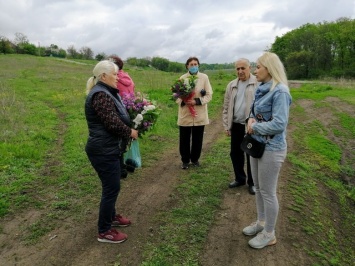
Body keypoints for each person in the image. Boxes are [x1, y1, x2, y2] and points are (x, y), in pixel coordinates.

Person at [84, 60, 138, 244]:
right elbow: (112, 123)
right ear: (104, 76)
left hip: (108, 147)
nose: (118, 77)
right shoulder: (100, 95)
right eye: (115, 74)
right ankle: (104, 230)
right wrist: (130, 132)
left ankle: (112, 216)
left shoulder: (107, 92)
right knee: (111, 188)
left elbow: (116, 117)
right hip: (102, 150)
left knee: (112, 186)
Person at [242, 52, 292, 249]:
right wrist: (250, 119)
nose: (255, 70)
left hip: (272, 148)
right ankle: (261, 223)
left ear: (269, 68)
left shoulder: (280, 92)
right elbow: (254, 112)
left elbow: (279, 123)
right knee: (259, 188)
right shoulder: (262, 88)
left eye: (258, 67)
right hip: (257, 145)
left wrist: (254, 127)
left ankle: (270, 233)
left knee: (269, 192)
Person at [222, 58, 258, 195]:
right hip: (236, 124)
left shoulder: (257, 83)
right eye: (238, 69)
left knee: (251, 154)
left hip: (251, 126)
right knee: (235, 153)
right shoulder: (231, 85)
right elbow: (226, 106)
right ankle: (240, 178)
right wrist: (226, 125)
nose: (240, 71)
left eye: (243, 68)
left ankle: (252, 183)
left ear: (250, 68)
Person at [176, 56, 213, 169]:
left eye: (195, 64)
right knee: (184, 139)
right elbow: (176, 95)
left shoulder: (204, 77)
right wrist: (184, 101)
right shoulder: (182, 78)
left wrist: (196, 101)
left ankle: (195, 159)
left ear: (198, 65)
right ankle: (185, 161)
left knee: (198, 139)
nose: (193, 66)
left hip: (199, 113)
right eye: (191, 64)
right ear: (187, 66)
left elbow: (209, 95)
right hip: (186, 113)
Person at [110, 55, 136, 178]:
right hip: (129, 111)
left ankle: (120, 168)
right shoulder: (127, 76)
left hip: (118, 111)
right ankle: (123, 165)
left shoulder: (112, 78)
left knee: (117, 140)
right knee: (124, 138)